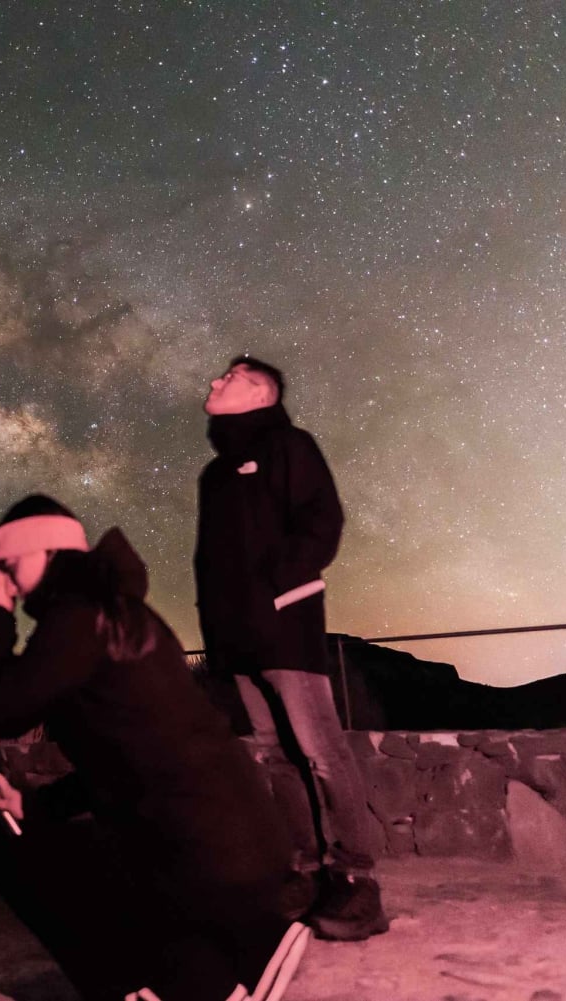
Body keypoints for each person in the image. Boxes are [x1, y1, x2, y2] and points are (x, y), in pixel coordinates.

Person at [0, 495, 310, 1001]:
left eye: (10, 564)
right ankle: (238, 958)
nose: (9, 583)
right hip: (237, 841)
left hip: (201, 855)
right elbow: (122, 759)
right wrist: (35, 804)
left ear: (45, 551)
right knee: (82, 844)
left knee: (24, 861)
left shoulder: (78, 619)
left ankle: (214, 968)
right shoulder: (121, 613)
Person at [195, 355, 390, 942]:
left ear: (260, 394)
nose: (213, 381)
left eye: (228, 378)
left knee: (322, 752)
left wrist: (281, 587)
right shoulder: (215, 474)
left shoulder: (289, 445)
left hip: (284, 627)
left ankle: (358, 883)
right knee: (276, 757)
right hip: (235, 636)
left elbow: (322, 520)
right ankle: (305, 872)